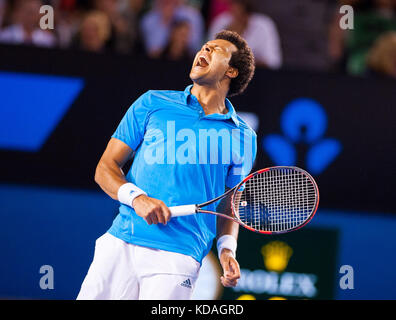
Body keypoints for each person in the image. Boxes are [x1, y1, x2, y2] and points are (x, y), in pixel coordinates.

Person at [77, 30, 257, 300]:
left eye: (215, 49)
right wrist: (137, 199)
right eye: (204, 46)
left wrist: (227, 250)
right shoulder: (152, 102)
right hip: (121, 241)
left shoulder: (243, 136)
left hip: (179, 255)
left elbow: (229, 203)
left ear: (231, 71)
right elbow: (106, 167)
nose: (203, 51)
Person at [208, 0, 282, 68]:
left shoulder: (264, 25)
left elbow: (273, 62)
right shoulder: (220, 22)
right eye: (232, 3)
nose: (234, 8)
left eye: (238, 4)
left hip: (258, 77)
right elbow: (210, 57)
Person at [140, 0, 204, 58]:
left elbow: (195, 50)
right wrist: (165, 21)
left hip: (186, 64)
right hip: (160, 64)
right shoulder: (148, 20)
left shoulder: (193, 17)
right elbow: (153, 52)